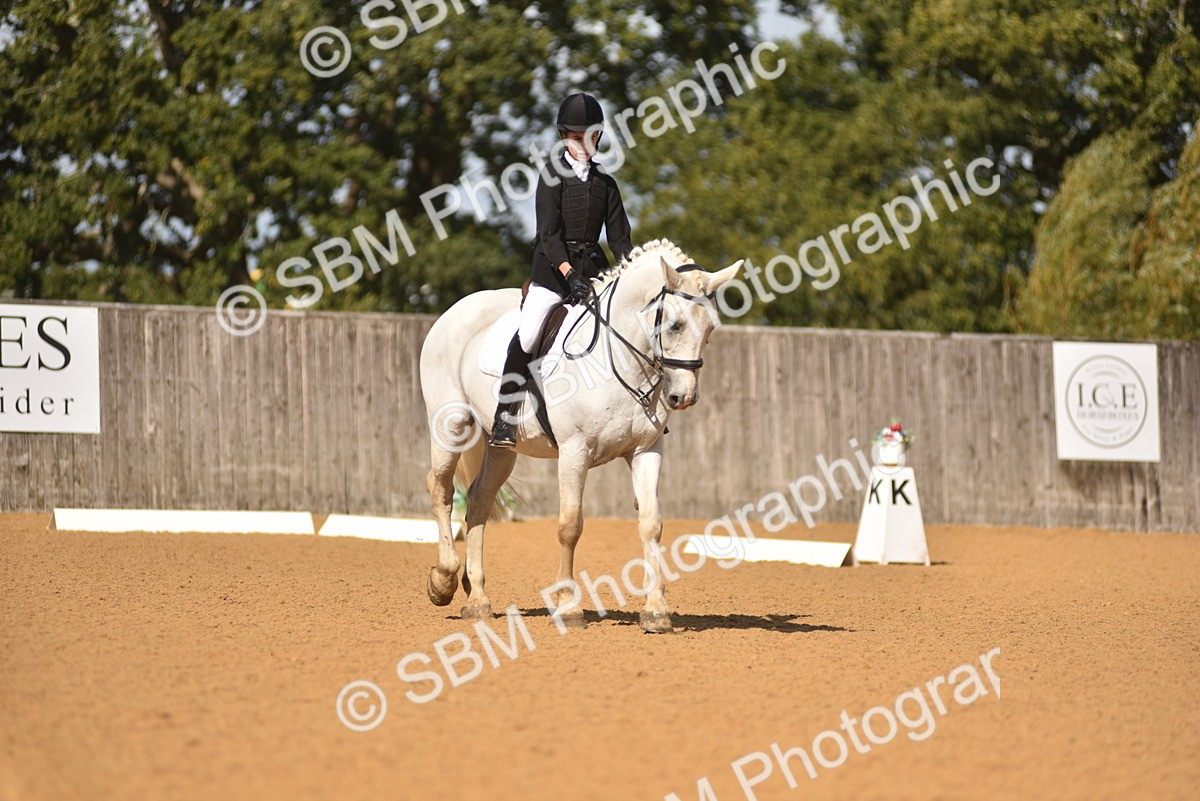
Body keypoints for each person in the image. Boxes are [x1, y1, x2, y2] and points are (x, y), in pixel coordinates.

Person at [489, 92, 634, 449]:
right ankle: (505, 418)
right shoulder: (551, 177)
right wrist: (570, 275)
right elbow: (549, 236)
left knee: (628, 325)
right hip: (553, 273)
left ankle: (637, 412)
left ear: (598, 137)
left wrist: (633, 270)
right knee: (528, 332)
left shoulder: (606, 185)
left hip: (595, 272)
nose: (583, 143)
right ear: (564, 137)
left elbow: (620, 240)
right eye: (574, 136)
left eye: (589, 136)